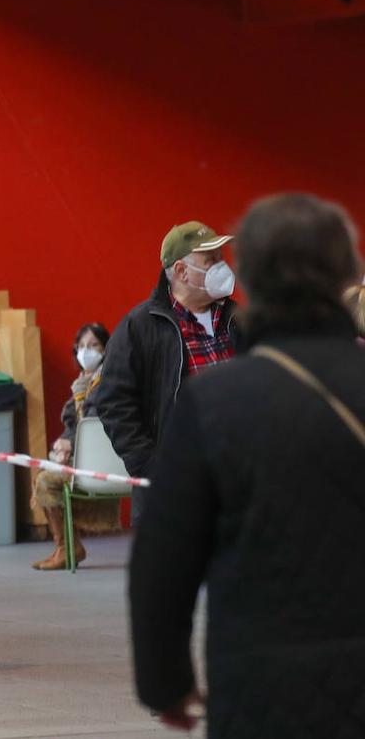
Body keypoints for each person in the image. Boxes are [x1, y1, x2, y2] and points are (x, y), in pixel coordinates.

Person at [129, 193, 365, 738]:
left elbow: (164, 562)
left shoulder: (214, 402)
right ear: (346, 273)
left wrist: (165, 682)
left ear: (251, 276)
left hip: (261, 684)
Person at [93, 221, 241, 521]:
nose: (221, 267)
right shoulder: (139, 328)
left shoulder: (240, 320)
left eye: (221, 257)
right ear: (181, 271)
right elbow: (112, 403)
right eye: (210, 260)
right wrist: (151, 466)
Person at [30, 322, 116, 570]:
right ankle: (66, 547)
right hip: (82, 457)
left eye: (93, 345)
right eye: (81, 346)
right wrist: (64, 445)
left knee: (46, 480)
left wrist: (71, 442)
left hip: (101, 461)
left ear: (106, 349)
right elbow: (77, 423)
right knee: (43, 471)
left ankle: (66, 548)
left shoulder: (107, 382)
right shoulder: (82, 384)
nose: (86, 351)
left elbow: (94, 424)